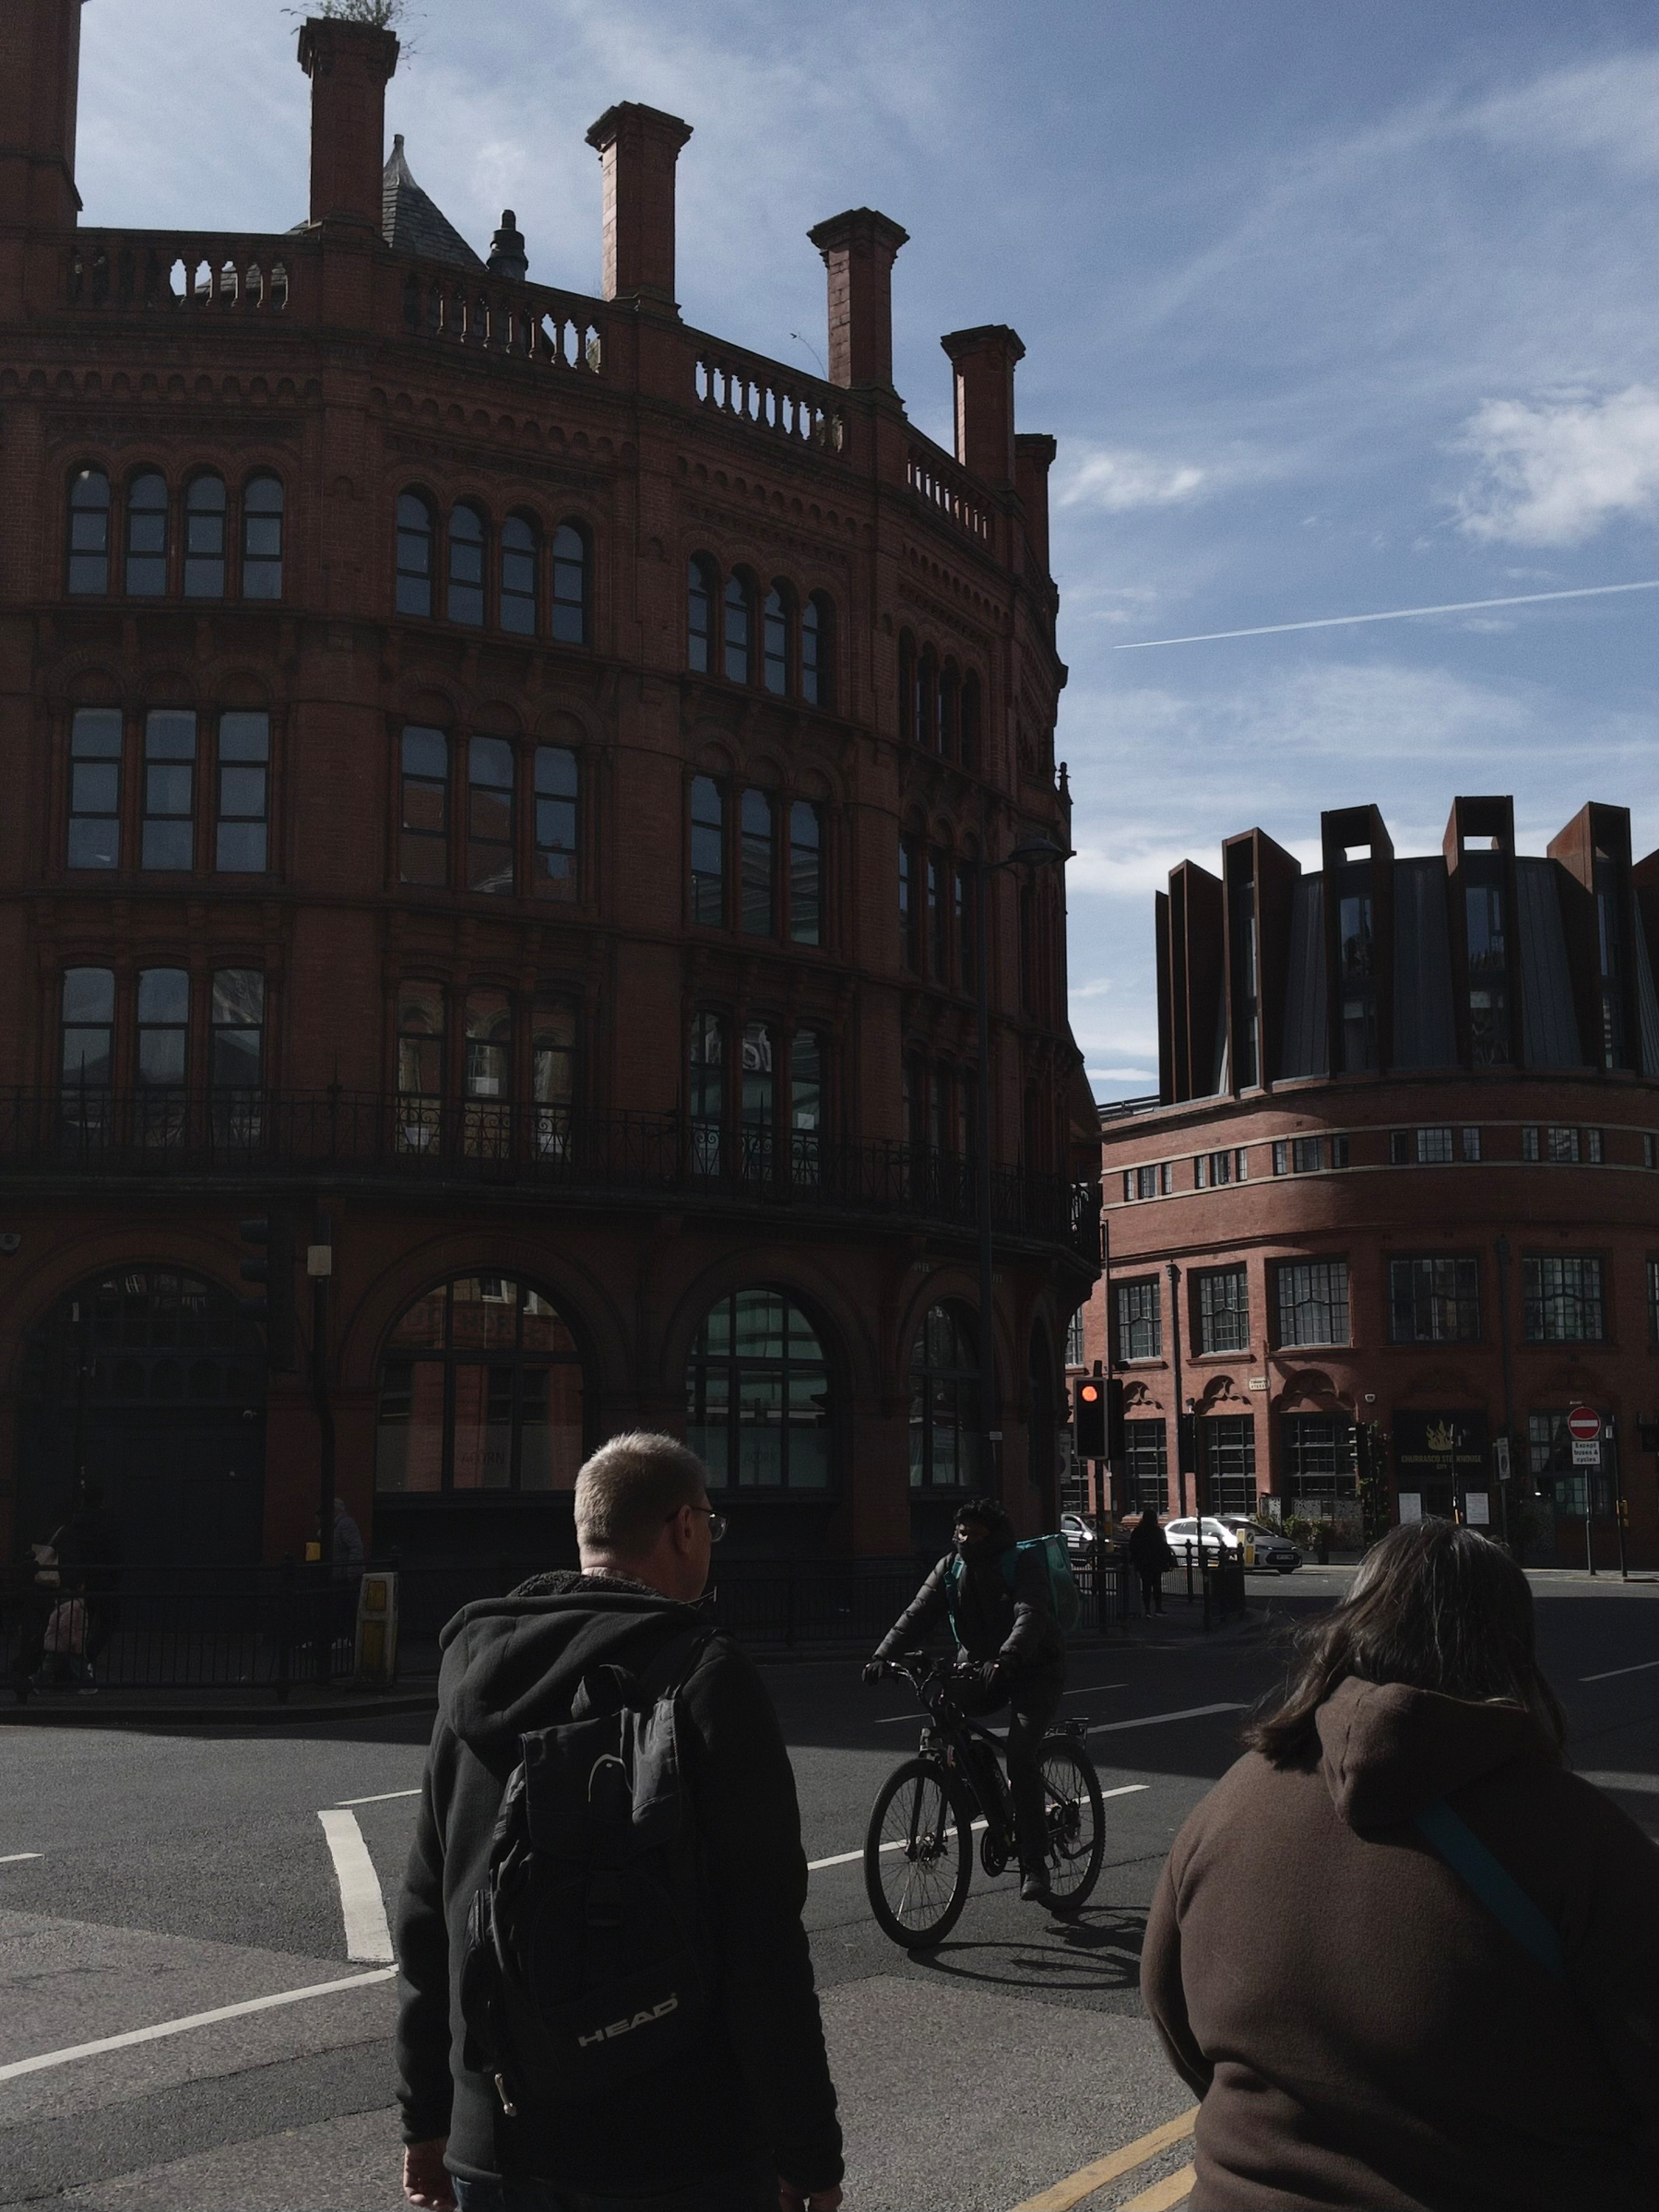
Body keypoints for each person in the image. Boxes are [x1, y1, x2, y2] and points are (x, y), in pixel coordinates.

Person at [1141, 1519, 1659, 2212]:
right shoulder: (1578, 1837)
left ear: (1355, 1622)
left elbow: (1173, 2017)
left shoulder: (1231, 1801)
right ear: (1511, 1645)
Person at [395, 1432, 844, 2212]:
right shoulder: (703, 1671)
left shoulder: (477, 1668)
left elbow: (428, 1917)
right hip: (674, 2149)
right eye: (710, 1522)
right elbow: (762, 1940)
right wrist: (807, 2149)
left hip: (494, 2140)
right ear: (684, 1527)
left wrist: (427, 2119)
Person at [867, 1494, 1063, 1904]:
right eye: (960, 1532)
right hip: (979, 1666)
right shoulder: (950, 1567)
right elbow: (917, 1613)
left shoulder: (1021, 1562)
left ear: (993, 1535)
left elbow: (1030, 1612)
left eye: (974, 1533)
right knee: (946, 1717)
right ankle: (983, 1795)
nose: (964, 1539)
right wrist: (883, 1655)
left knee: (1021, 1754)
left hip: (1033, 1666)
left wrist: (1009, 1656)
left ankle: (1035, 1863)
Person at [1125, 1508, 1174, 1617]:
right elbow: (1163, 1547)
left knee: (1146, 1586)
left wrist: (1134, 1559)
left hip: (1143, 1562)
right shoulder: (1158, 1531)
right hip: (1156, 1561)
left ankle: (1147, 1609)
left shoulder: (1138, 1531)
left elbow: (1132, 1546)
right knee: (1157, 1585)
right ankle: (1158, 1608)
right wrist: (1169, 1561)